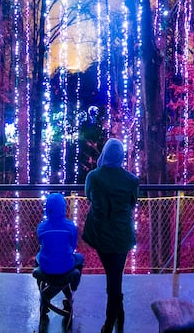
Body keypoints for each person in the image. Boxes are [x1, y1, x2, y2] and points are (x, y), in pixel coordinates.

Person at [82, 138, 139, 333]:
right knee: (115, 276)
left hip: (101, 234)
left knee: (113, 277)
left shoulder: (93, 177)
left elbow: (88, 196)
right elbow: (132, 203)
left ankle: (110, 323)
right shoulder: (132, 180)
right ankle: (118, 315)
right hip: (122, 235)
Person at [36, 193, 85, 275]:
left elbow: (41, 243)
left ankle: (41, 280)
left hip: (46, 267)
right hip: (66, 265)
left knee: (38, 255)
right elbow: (73, 246)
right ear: (63, 207)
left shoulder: (41, 227)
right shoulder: (70, 226)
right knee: (79, 257)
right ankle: (74, 283)